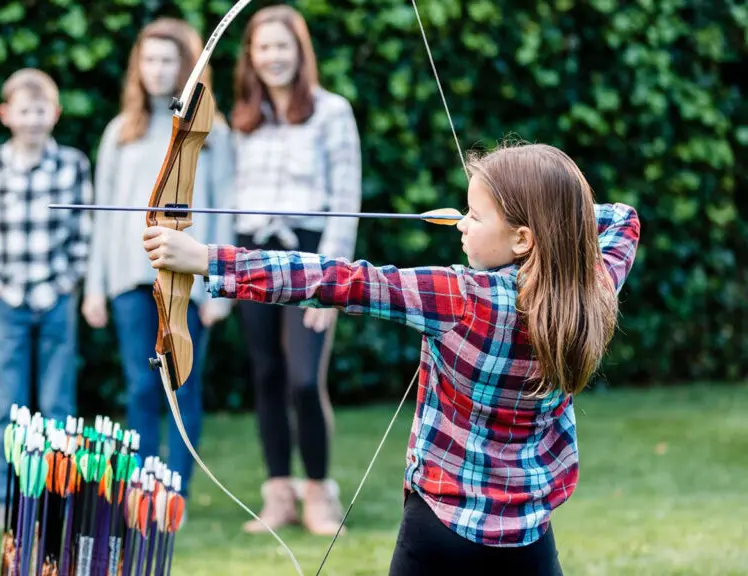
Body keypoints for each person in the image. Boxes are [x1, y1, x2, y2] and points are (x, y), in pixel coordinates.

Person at [141, 141, 641, 574]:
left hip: (440, 530)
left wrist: (206, 260)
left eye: (475, 215)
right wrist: (558, 220)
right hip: (529, 536)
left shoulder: (459, 296)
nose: (462, 224)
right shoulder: (591, 289)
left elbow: (340, 281)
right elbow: (622, 217)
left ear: (522, 238)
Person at [81, 17, 234, 516]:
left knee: (181, 382)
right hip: (129, 279)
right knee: (142, 386)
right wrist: (95, 287)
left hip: (187, 281)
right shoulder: (119, 132)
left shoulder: (209, 131)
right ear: (137, 67)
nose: (158, 68)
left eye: (168, 59)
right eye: (149, 59)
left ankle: (177, 492)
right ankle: (144, 488)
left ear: (186, 66)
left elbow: (223, 207)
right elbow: (102, 212)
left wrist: (219, 287)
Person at [225, 4, 362, 536]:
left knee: (305, 380)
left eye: (283, 46)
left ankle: (318, 494)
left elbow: (346, 198)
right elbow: (227, 197)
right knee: (266, 375)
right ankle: (278, 492)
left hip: (311, 256)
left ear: (300, 52)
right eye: (263, 47)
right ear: (251, 57)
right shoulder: (242, 118)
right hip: (251, 253)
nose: (273, 57)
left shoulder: (332, 111)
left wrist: (334, 282)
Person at [0, 68, 93, 529]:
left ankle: (58, 495)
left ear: (54, 114)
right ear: (6, 115)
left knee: (58, 405)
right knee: (9, 407)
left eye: (41, 110)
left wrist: (64, 284)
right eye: (24, 111)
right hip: (8, 301)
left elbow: (82, 234)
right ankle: (8, 496)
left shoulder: (73, 164)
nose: (33, 119)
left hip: (55, 297)